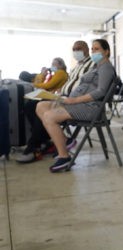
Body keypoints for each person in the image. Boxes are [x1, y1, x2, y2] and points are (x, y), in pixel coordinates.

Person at [36, 39, 116, 172]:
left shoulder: (106, 67)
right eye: (92, 49)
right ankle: (65, 141)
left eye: (97, 49)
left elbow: (100, 91)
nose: (93, 52)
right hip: (79, 103)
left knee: (49, 116)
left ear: (106, 51)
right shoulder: (97, 67)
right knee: (41, 106)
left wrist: (74, 100)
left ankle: (64, 156)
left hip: (91, 108)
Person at [16, 42, 94, 163]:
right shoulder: (77, 66)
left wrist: (59, 94)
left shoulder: (88, 66)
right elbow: (61, 84)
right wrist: (43, 76)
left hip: (72, 100)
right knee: (30, 106)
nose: (76, 51)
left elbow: (49, 85)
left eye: (79, 49)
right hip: (61, 96)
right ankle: (45, 139)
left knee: (39, 107)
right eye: (74, 49)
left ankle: (35, 146)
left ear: (87, 49)